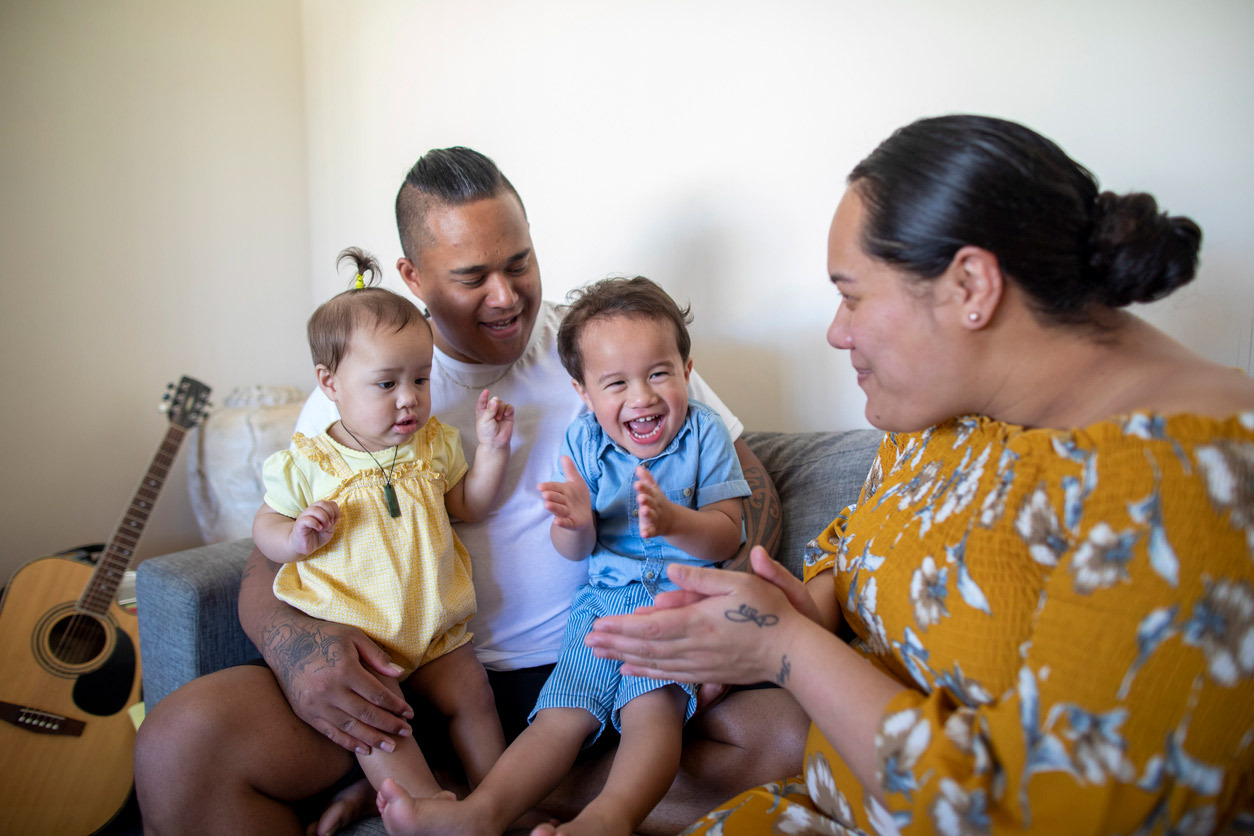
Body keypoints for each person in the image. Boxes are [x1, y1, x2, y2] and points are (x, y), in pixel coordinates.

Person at [584, 114, 1254, 835]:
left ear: (970, 284)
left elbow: (1043, 812)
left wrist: (784, 645)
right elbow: (861, 552)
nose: (837, 331)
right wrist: (803, 605)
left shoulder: (1194, 483)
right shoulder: (946, 416)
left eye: (852, 294)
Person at [134, 147, 806, 836]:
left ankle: (474, 798)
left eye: (519, 263)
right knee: (183, 741)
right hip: (410, 678)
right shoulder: (366, 382)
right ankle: (462, 787)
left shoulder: (605, 346)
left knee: (784, 737)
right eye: (471, 276)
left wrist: (702, 617)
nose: (506, 295)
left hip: (597, 656)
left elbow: (749, 488)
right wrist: (297, 651)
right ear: (412, 275)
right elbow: (267, 557)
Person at [376, 275, 752, 836]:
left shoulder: (705, 435)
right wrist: (575, 523)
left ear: (687, 373)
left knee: (651, 711)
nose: (642, 397)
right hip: (600, 606)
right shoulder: (582, 442)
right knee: (560, 715)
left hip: (680, 603)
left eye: (659, 374)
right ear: (583, 392)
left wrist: (676, 521)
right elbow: (574, 550)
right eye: (616, 383)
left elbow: (728, 533)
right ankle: (478, 815)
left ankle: (609, 818)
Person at [251, 247, 512, 806]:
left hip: (436, 626)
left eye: (421, 379)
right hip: (360, 641)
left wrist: (491, 451)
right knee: (381, 728)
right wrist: (294, 537)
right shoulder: (310, 463)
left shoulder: (433, 445)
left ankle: (502, 796)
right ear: (330, 383)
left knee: (476, 696)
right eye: (385, 384)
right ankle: (421, 807)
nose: (408, 400)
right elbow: (265, 525)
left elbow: (470, 505)